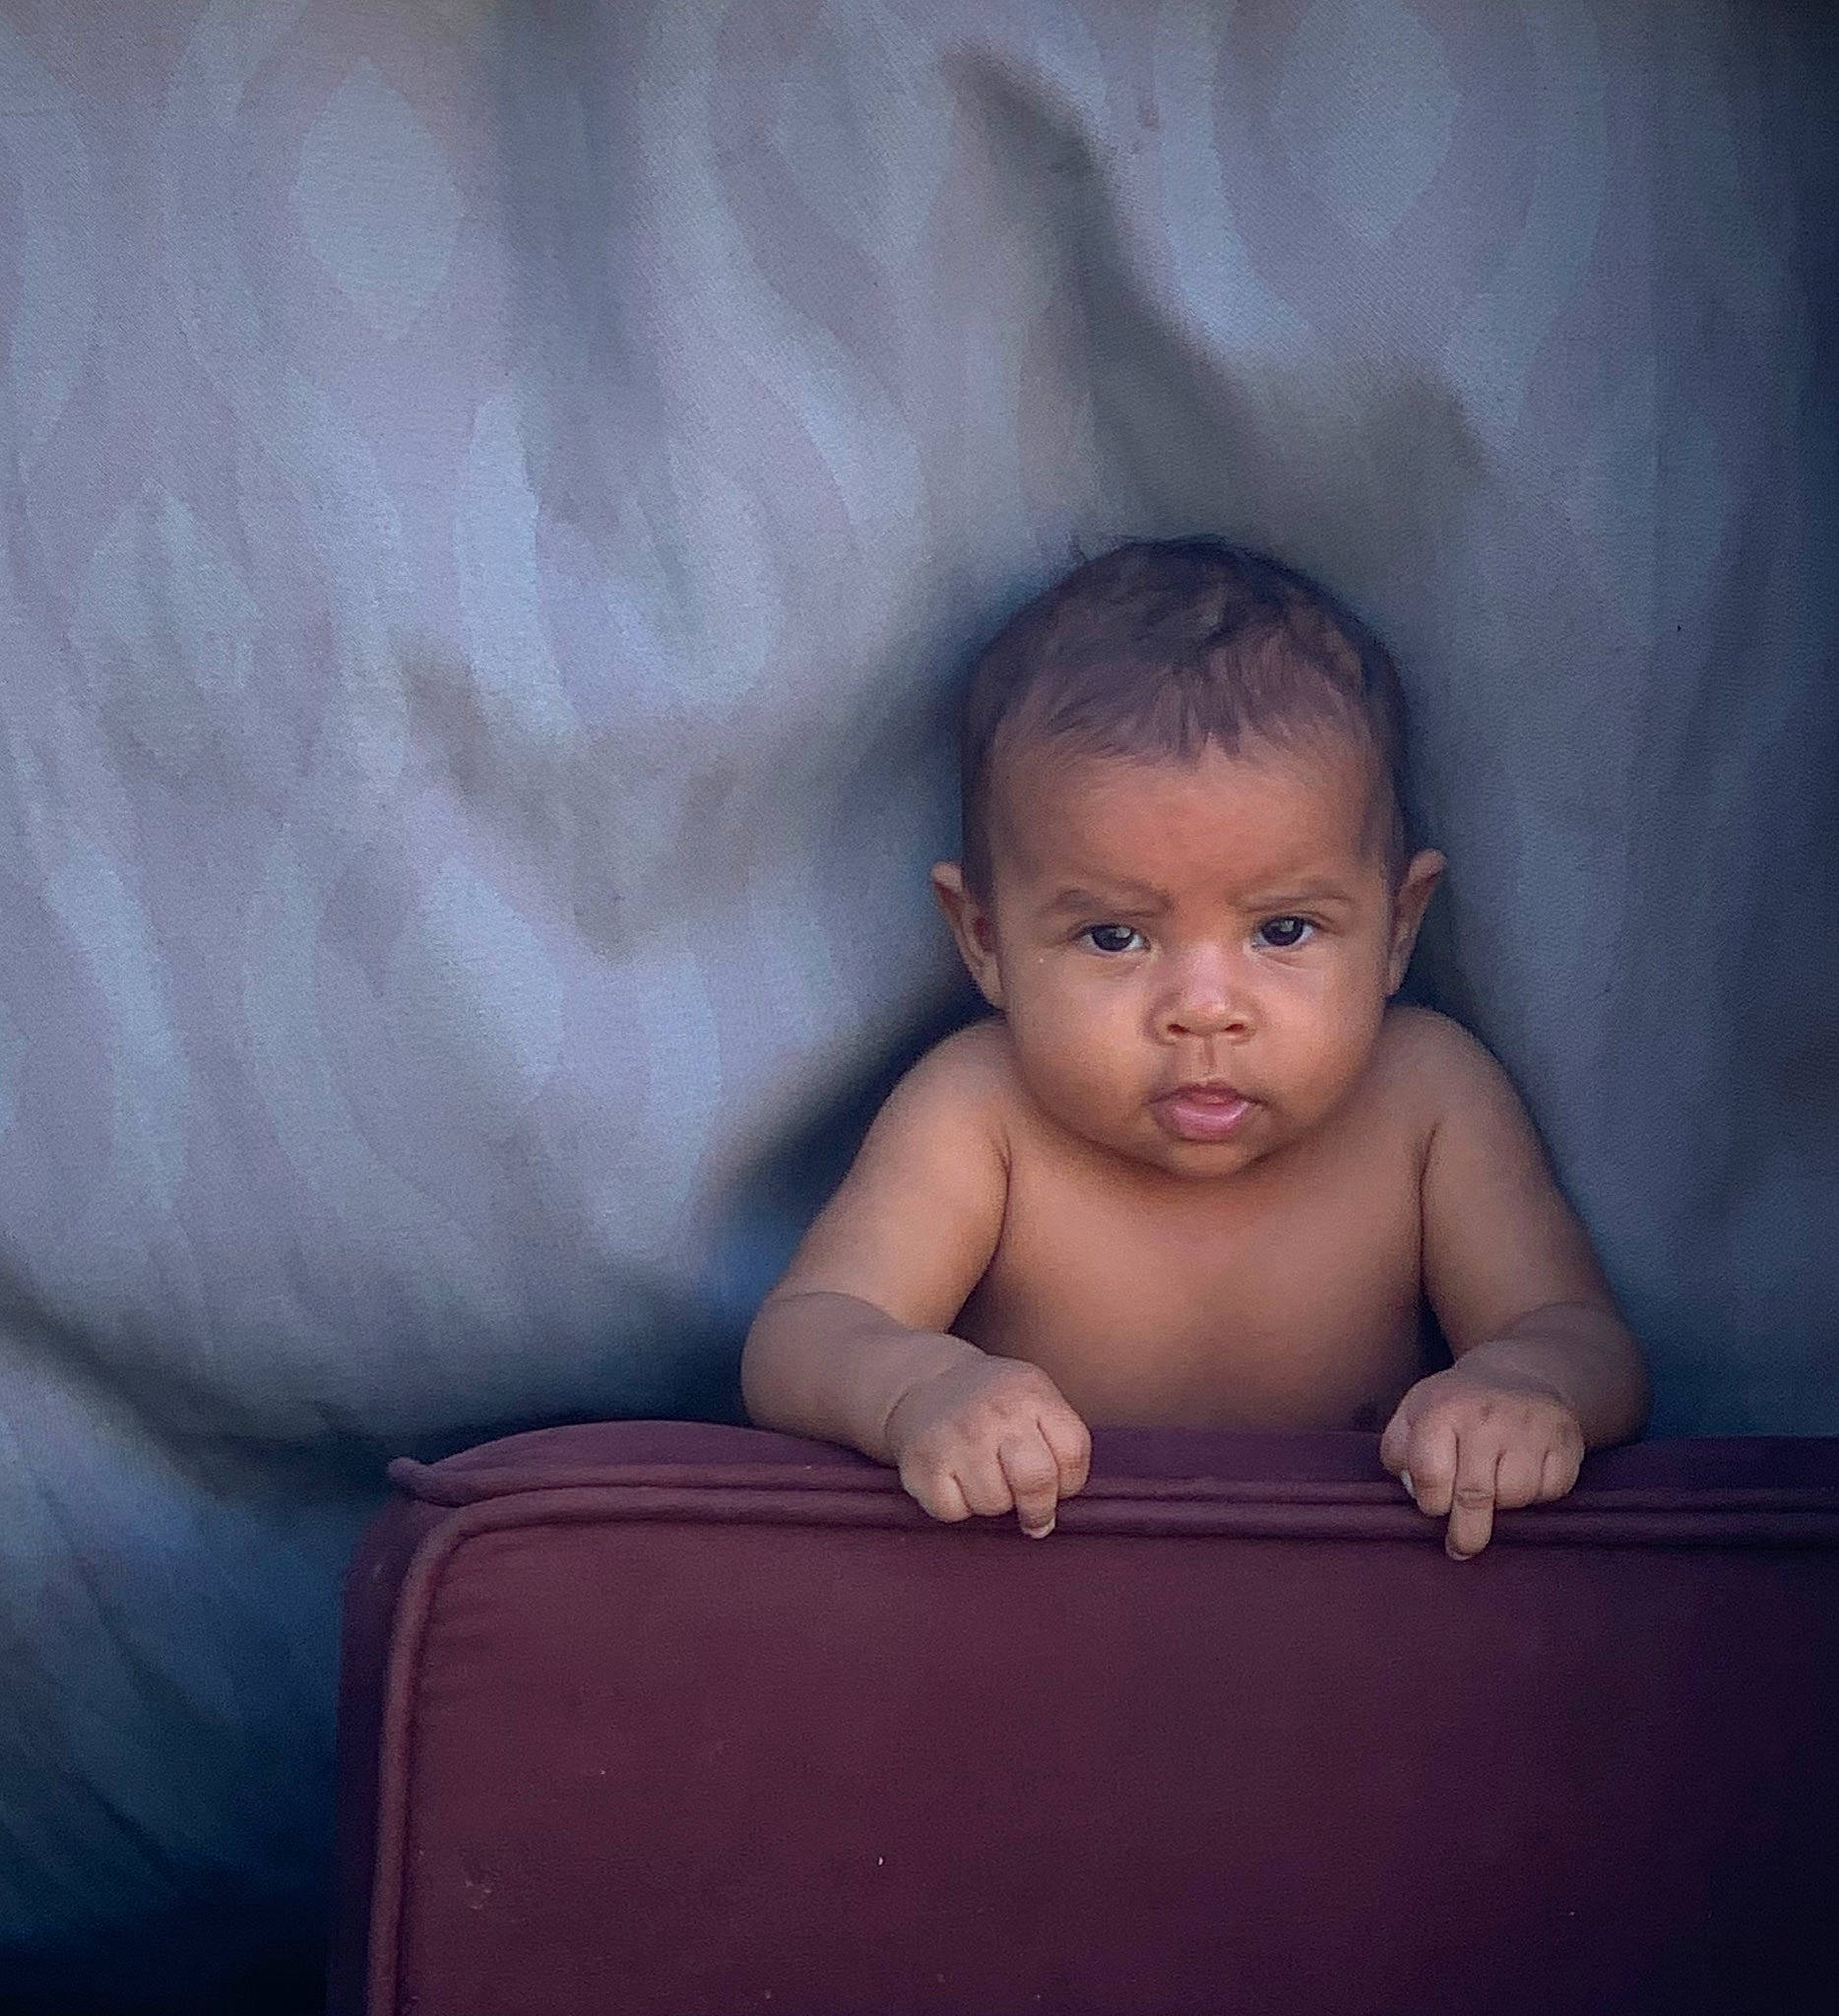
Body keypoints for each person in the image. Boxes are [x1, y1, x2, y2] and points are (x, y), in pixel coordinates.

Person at [741, 539, 1649, 1558]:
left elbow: (1582, 1336)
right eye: (1112, 936)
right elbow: (805, 1331)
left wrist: (1520, 1387)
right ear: (984, 940)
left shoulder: (1426, 1097)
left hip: (1360, 1606)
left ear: (1398, 927)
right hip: (1044, 1601)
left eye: (1283, 929)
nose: (1204, 1011)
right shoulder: (980, 1110)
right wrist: (919, 1388)